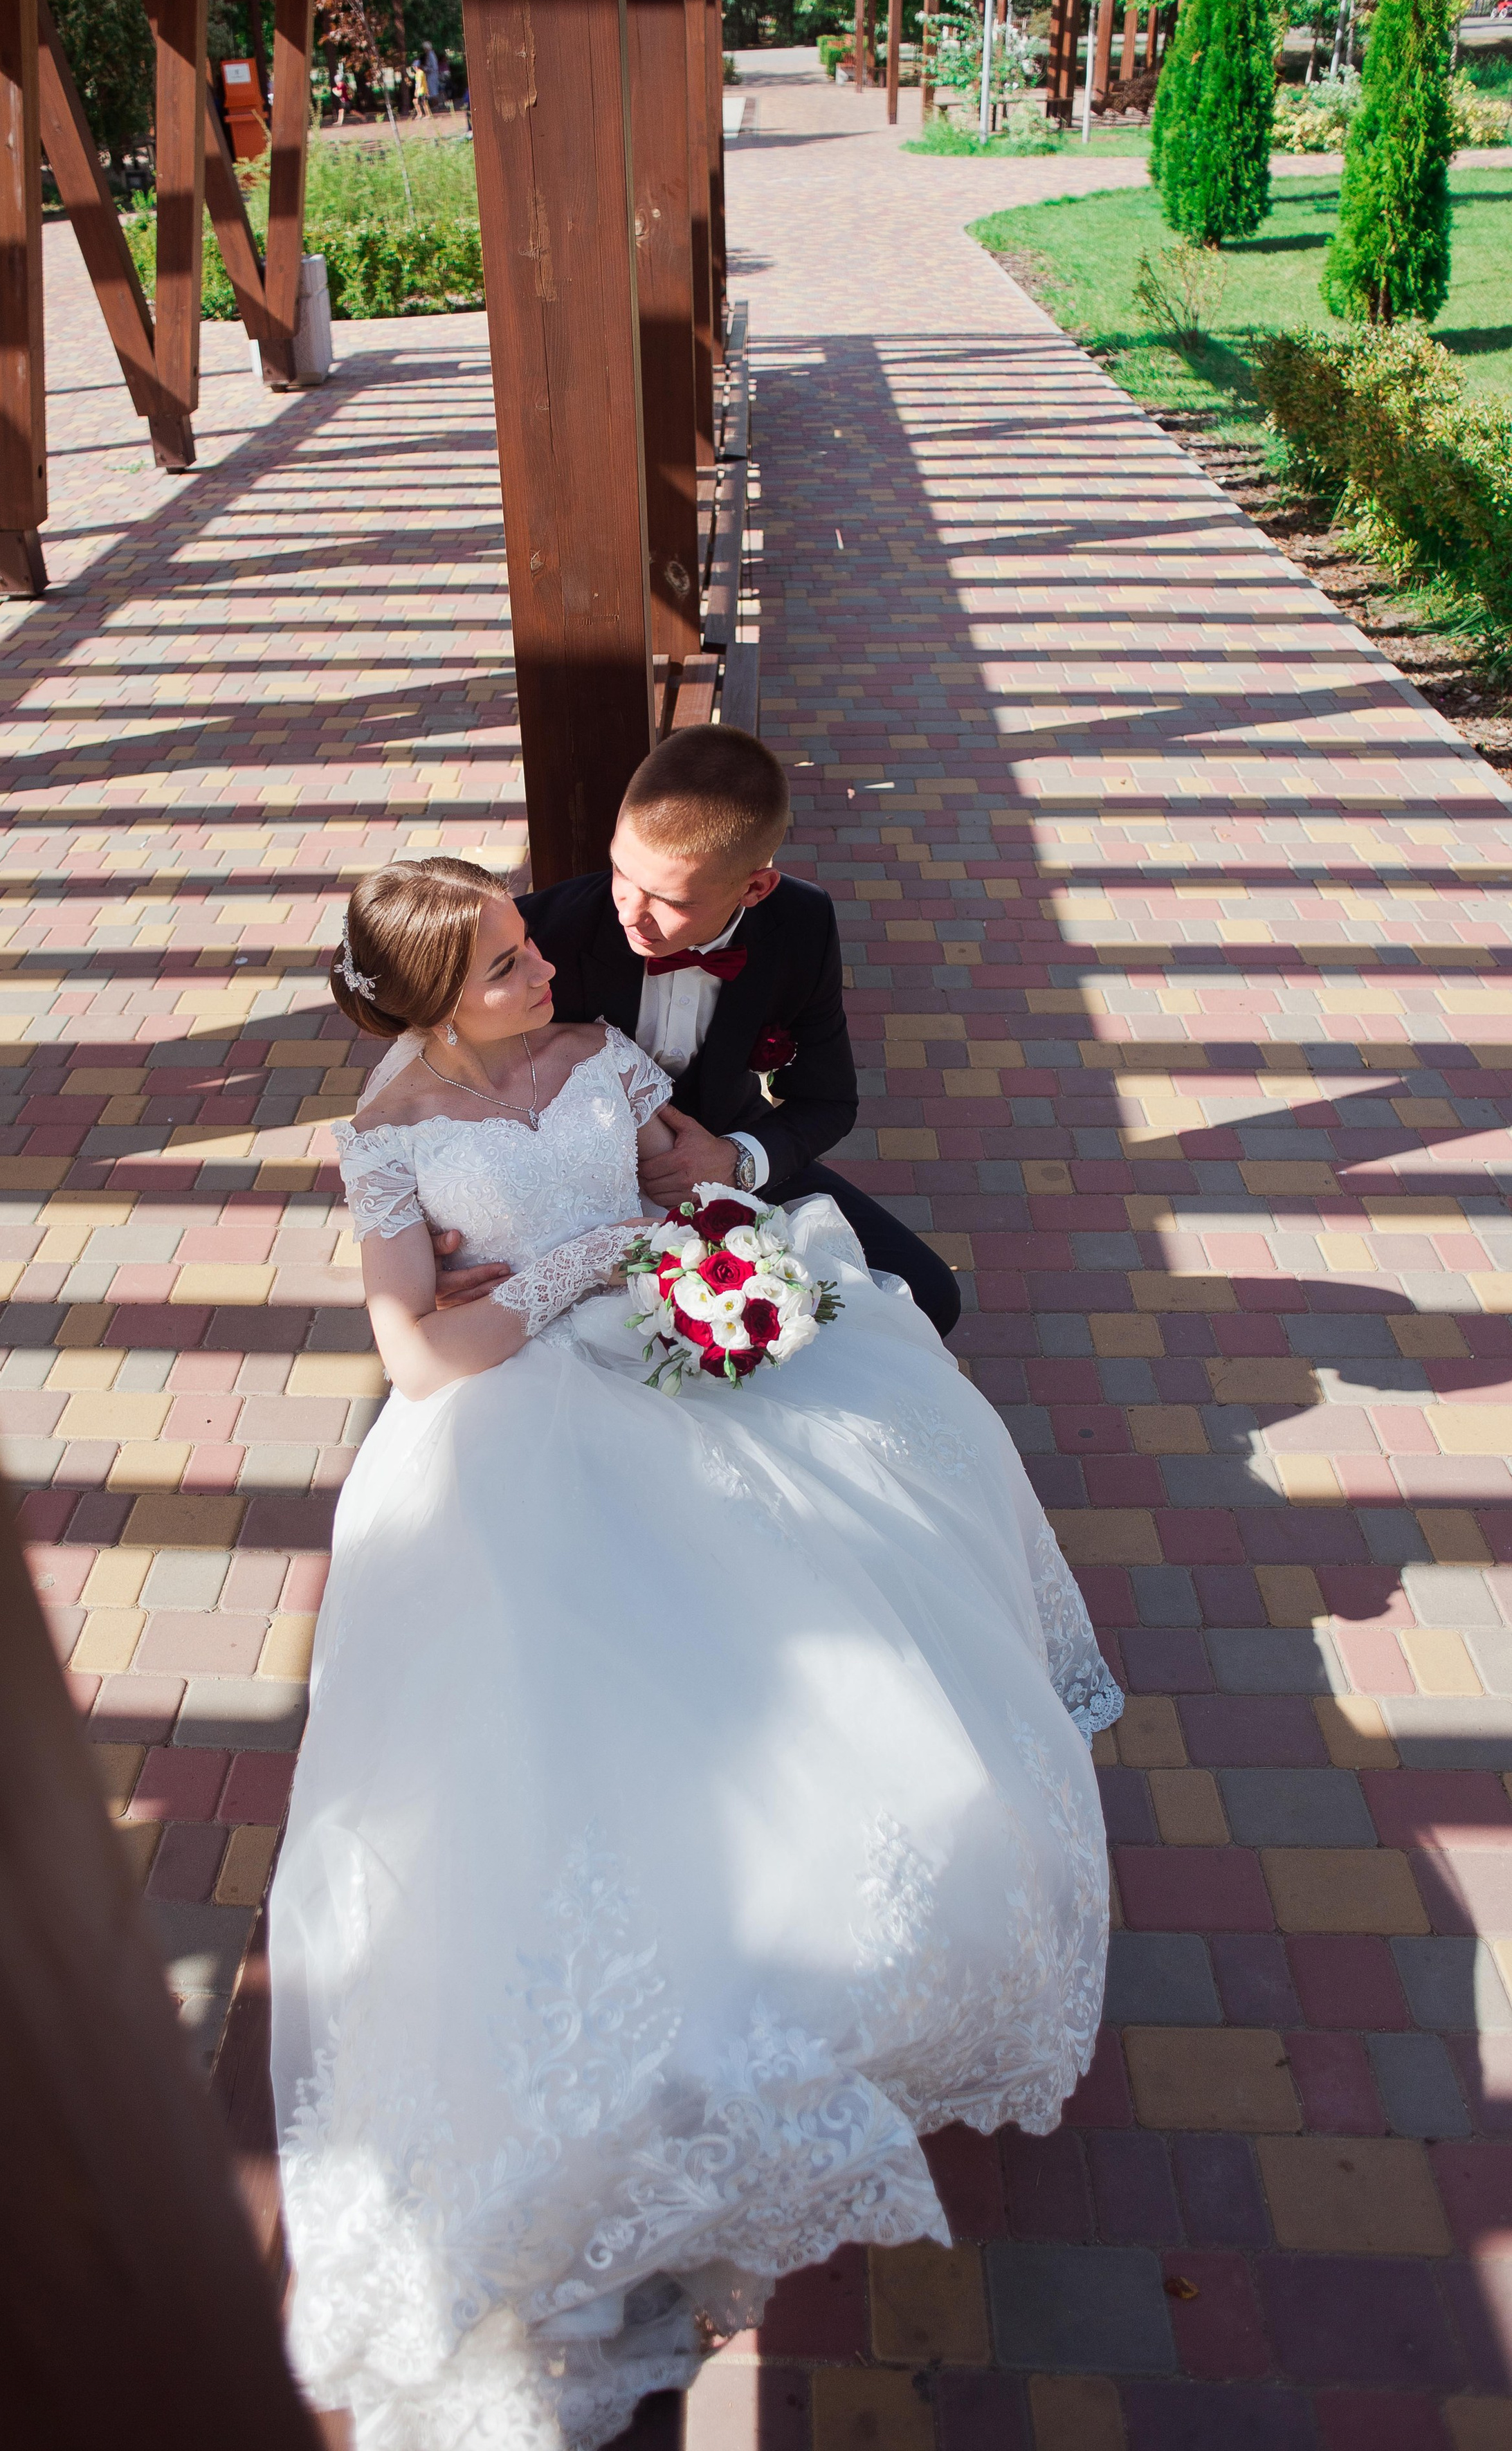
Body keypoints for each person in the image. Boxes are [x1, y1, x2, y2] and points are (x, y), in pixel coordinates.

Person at [268, 850, 1121, 2450]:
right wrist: (552, 1273)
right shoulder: (384, 1138)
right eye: (506, 962)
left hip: (674, 1332)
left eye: (527, 944)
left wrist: (712, 1246)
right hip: (521, 1402)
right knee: (584, 1703)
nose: (544, 966)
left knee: (865, 1538)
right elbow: (420, 1355)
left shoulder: (596, 1052)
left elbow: (686, 1187)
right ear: (429, 1002)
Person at [437, 725, 961, 1339]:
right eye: (621, 870)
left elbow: (828, 1100)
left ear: (755, 887)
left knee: (927, 1295)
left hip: (725, 1142)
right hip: (573, 1185)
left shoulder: (803, 924)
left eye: (670, 900)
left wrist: (736, 1160)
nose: (630, 910)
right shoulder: (542, 934)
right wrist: (437, 1253)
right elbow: (442, 1087)